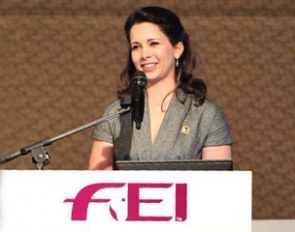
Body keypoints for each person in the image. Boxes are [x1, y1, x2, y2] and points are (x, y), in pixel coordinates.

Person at [88, 6, 233, 170]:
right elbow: (98, 186)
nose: (144, 54)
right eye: (136, 46)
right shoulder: (115, 114)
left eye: (153, 43)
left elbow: (218, 188)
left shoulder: (206, 114)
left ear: (177, 49)